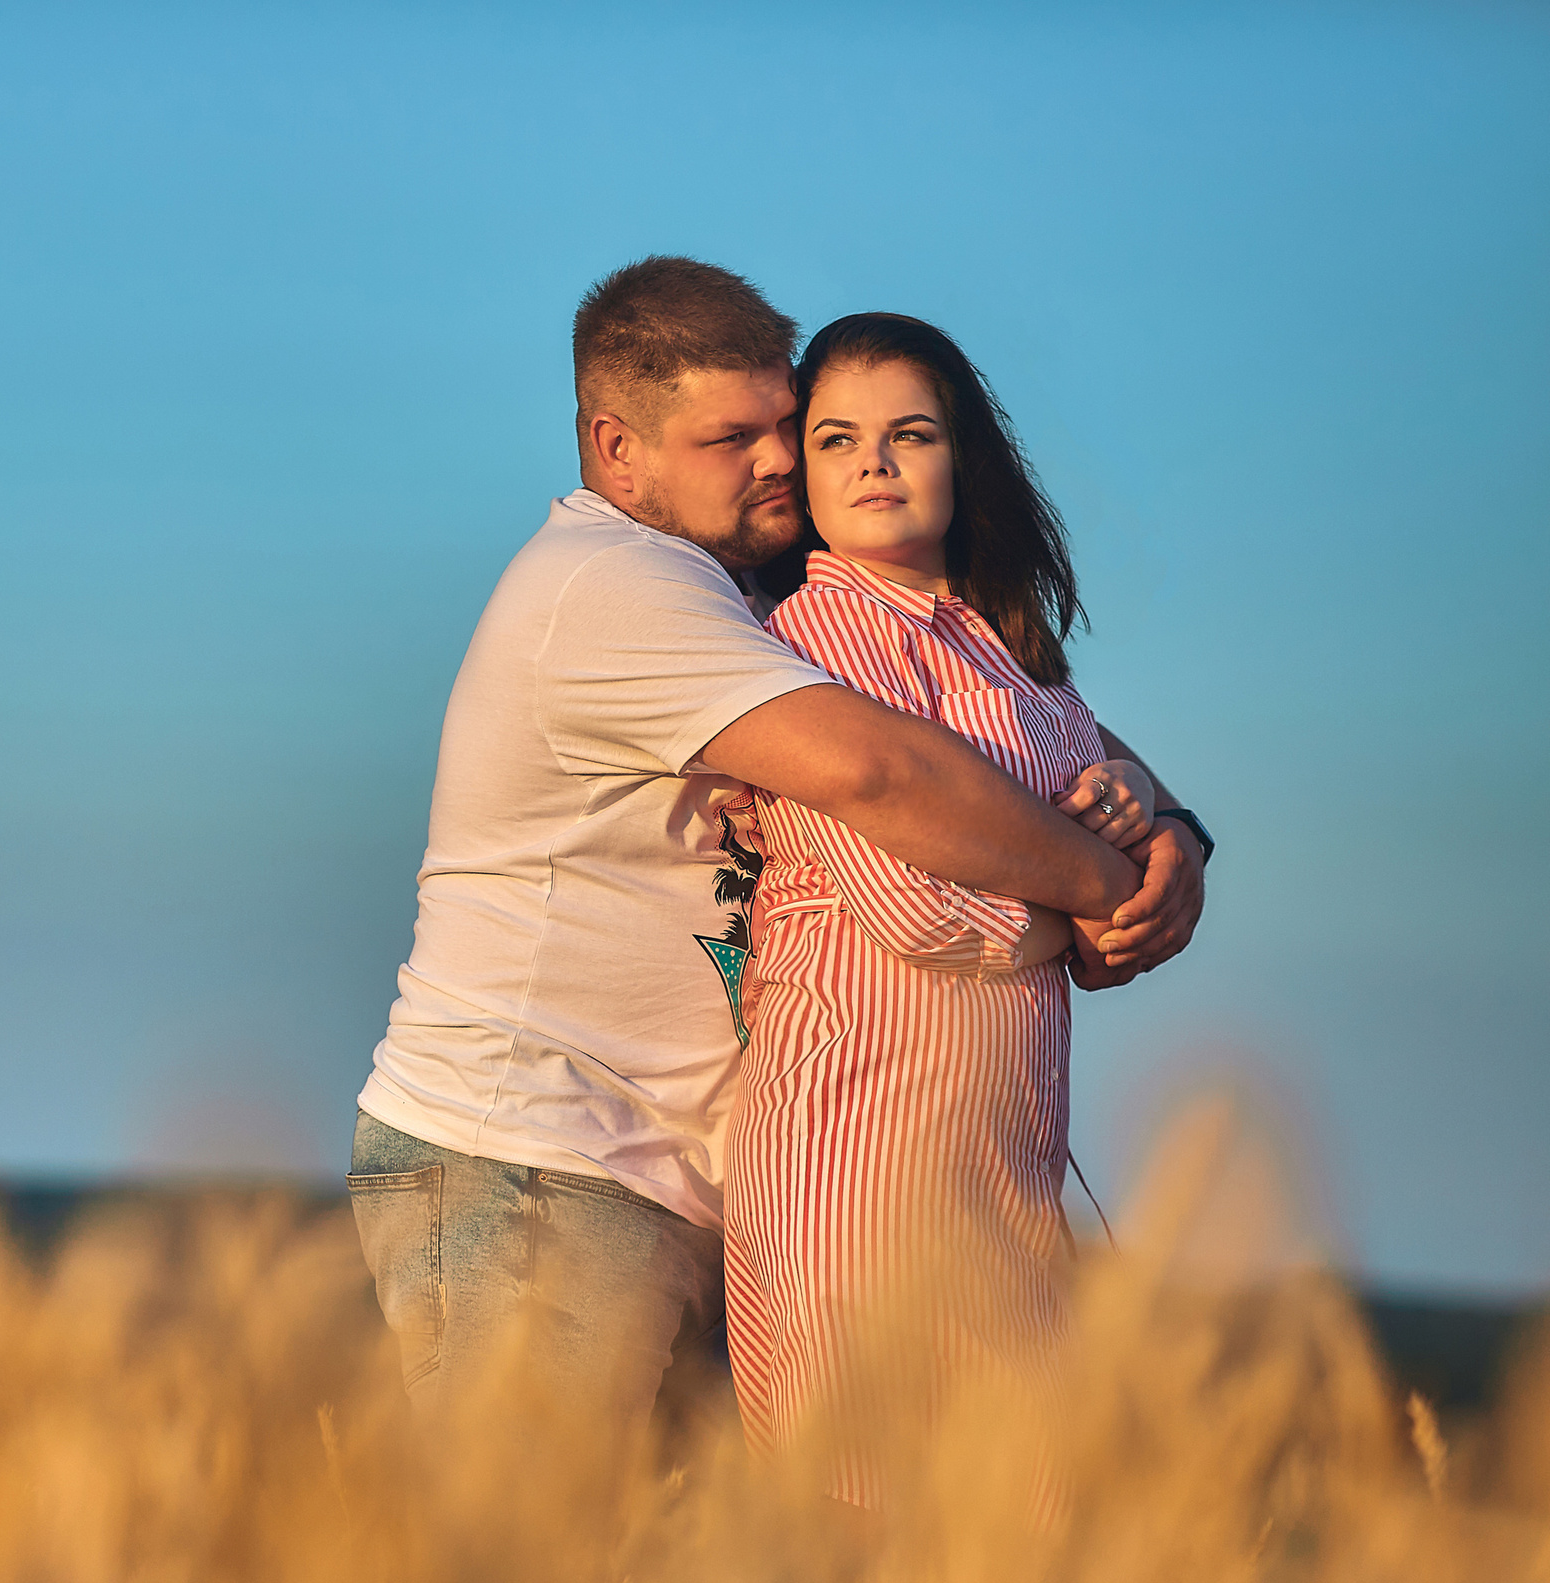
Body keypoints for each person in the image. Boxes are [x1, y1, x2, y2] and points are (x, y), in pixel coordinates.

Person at [349, 258, 1209, 1436]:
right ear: (616, 448)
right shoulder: (612, 585)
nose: (772, 463)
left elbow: (1014, 715)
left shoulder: (731, 588)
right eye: (727, 438)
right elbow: (881, 769)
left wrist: (1172, 825)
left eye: (781, 430)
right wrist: (1108, 893)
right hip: (539, 1159)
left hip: (691, 1176)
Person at [721, 313, 1183, 1507]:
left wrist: (1133, 801)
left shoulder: (1010, 657)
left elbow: (1109, 840)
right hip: (858, 1155)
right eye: (837, 440)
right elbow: (915, 908)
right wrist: (1071, 912)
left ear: (958, 458)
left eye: (908, 433)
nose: (873, 462)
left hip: (1003, 1173)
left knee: (1005, 1556)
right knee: (865, 1536)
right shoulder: (805, 644)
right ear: (804, 478)